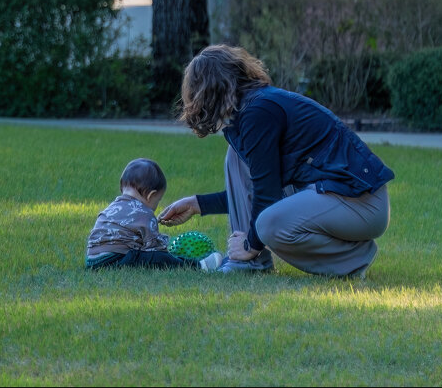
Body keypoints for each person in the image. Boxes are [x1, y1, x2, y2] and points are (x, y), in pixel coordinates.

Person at [159, 45, 394, 279]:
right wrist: (197, 204)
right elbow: (255, 190)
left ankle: (354, 258)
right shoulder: (248, 114)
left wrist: (250, 245)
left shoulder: (259, 111)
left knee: (269, 225)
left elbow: (266, 194)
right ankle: (252, 264)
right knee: (236, 157)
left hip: (362, 203)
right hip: (335, 196)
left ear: (208, 90)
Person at [86, 157, 223, 271]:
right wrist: (167, 248)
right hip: (116, 260)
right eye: (158, 200)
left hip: (93, 261)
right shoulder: (144, 214)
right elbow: (153, 248)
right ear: (151, 195)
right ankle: (199, 266)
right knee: (158, 258)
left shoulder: (111, 207)